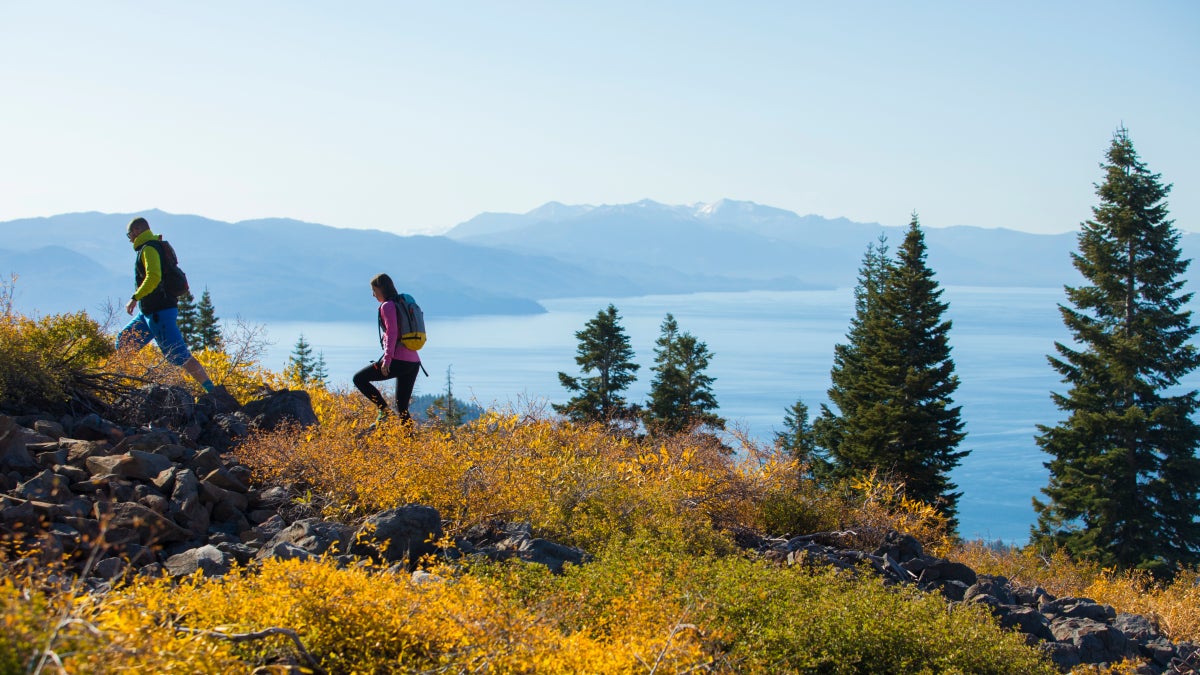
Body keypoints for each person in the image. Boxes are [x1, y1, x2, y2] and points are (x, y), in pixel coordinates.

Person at [116, 216, 216, 393]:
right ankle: (120, 385)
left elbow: (153, 277)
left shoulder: (149, 249)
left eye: (129, 234)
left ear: (137, 231)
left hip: (159, 312)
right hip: (148, 313)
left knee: (180, 355)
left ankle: (214, 393)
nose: (129, 238)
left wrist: (135, 297)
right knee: (125, 341)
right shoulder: (153, 246)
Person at [353, 273, 423, 426]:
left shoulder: (387, 306)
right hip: (413, 362)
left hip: (397, 360)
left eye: (374, 290)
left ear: (381, 289)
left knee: (359, 379)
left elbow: (392, 333)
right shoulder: (401, 302)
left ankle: (384, 411)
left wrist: (387, 360)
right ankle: (409, 442)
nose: (373, 295)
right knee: (403, 407)